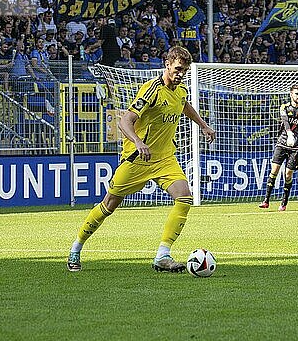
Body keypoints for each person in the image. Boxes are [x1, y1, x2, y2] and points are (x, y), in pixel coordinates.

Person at [67, 46, 216, 272]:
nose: (181, 74)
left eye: (184, 70)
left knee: (184, 197)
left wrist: (203, 125)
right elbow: (125, 121)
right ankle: (76, 247)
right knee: (109, 205)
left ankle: (162, 255)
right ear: (167, 65)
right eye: (177, 69)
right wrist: (137, 141)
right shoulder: (151, 90)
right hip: (137, 159)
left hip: (165, 158)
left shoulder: (181, 90)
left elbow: (184, 105)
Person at [259, 85, 298, 211]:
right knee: (274, 171)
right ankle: (266, 200)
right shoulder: (284, 107)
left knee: (288, 174)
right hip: (282, 143)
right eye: (296, 94)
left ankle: (284, 202)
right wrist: (289, 134)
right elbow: (285, 122)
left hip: (297, 146)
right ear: (291, 94)